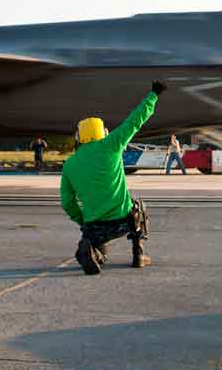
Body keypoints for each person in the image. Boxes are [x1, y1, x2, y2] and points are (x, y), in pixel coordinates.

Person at [61, 81, 166, 274]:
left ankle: (95, 254)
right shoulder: (112, 144)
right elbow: (135, 121)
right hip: (123, 221)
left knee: (91, 243)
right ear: (103, 133)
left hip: (95, 226)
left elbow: (67, 203)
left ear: (79, 137)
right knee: (139, 208)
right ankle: (139, 254)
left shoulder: (69, 165)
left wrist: (83, 221)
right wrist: (154, 95)